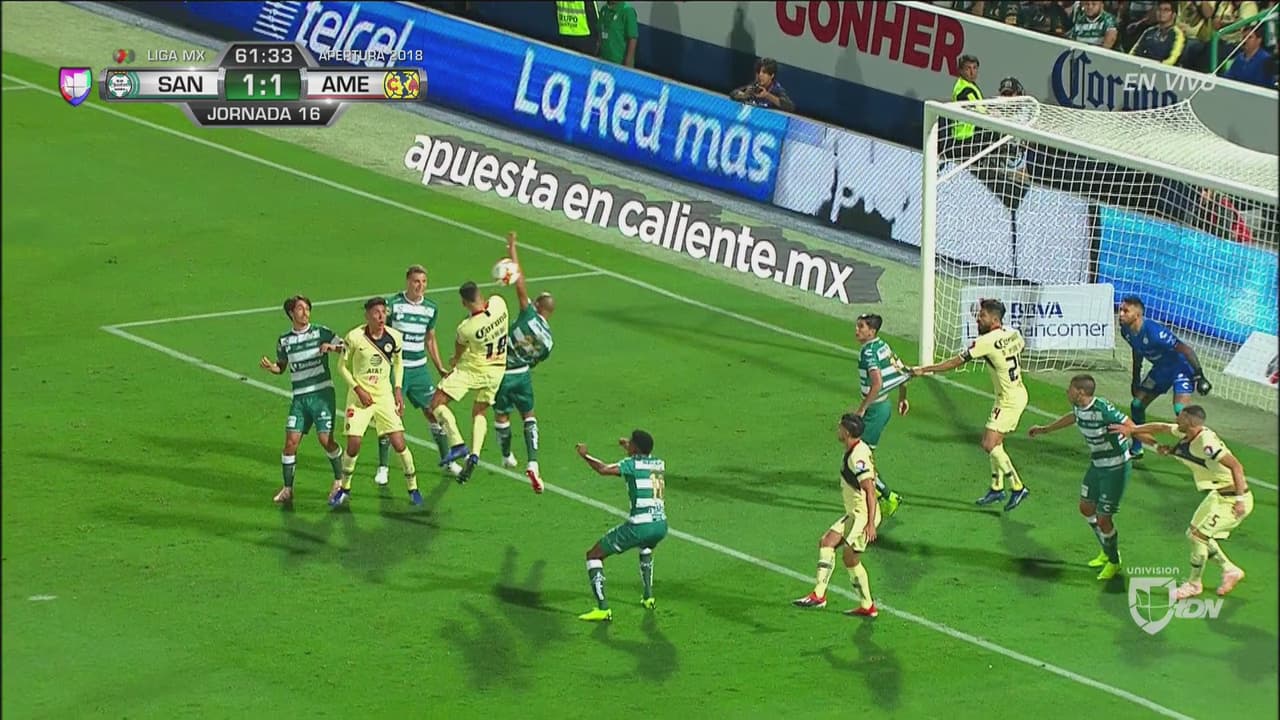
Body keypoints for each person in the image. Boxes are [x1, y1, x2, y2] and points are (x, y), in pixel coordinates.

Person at [1112, 407, 1252, 598]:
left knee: (1199, 537)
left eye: (1181, 416)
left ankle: (1194, 584)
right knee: (1193, 534)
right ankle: (1230, 569)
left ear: (1190, 421)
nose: (1176, 418)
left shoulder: (1207, 443)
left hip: (1233, 500)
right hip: (1217, 496)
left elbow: (1237, 466)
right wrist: (1134, 430)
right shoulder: (1187, 433)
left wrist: (1240, 500)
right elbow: (1161, 427)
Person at [911, 299, 1031, 511]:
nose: (977, 319)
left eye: (982, 315)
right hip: (1014, 393)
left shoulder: (985, 342)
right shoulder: (1014, 333)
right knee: (996, 443)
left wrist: (924, 369)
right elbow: (1018, 346)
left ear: (995, 319)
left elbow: (954, 363)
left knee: (988, 443)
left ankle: (1018, 486)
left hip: (1009, 400)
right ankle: (996, 487)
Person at [1029, 375, 1135, 580]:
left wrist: (1133, 433)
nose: (1066, 391)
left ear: (1080, 392)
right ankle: (1106, 549)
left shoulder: (1103, 409)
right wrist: (1045, 429)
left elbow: (1130, 424)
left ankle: (1114, 561)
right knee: (1086, 508)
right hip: (1097, 465)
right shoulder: (1079, 407)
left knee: (1104, 519)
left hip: (1116, 468)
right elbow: (1073, 417)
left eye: (1070, 388)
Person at [373, 265, 462, 485]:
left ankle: (448, 460)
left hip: (419, 370)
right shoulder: (393, 305)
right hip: (397, 370)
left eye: (423, 282)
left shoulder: (431, 308)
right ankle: (383, 467)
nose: (420, 286)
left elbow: (430, 339)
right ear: (408, 281)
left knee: (433, 411)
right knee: (390, 417)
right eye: (416, 281)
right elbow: (380, 331)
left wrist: (439, 367)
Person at [327, 298, 419, 507]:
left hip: (384, 396)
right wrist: (358, 389)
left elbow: (399, 364)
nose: (381, 316)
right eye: (376, 312)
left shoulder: (395, 337)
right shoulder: (354, 337)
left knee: (399, 442)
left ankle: (413, 488)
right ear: (367, 315)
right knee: (354, 443)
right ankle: (344, 489)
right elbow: (342, 367)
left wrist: (398, 390)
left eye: (384, 312)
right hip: (360, 397)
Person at [259, 295, 346, 504]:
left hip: (322, 394)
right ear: (291, 313)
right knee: (290, 443)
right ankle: (288, 489)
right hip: (300, 399)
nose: (305, 312)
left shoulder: (320, 332)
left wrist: (332, 348)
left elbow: (347, 347)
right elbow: (281, 366)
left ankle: (339, 481)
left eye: (307, 308)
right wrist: (272, 367)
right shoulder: (284, 341)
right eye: (300, 309)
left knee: (325, 440)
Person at [792, 413, 880, 618]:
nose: (837, 430)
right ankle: (819, 595)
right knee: (827, 541)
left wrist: (870, 524)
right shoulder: (857, 449)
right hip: (855, 513)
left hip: (862, 515)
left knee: (850, 558)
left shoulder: (857, 457)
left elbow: (869, 490)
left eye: (840, 427)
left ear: (847, 432)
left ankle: (867, 605)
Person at [574, 430, 668, 621]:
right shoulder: (658, 463)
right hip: (661, 525)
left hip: (640, 526)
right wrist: (629, 447)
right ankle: (648, 597)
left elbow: (603, 469)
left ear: (636, 448)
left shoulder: (631, 464)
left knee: (593, 555)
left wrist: (585, 455)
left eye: (631, 442)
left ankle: (602, 609)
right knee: (646, 547)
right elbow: (642, 458)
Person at [493, 232, 555, 494]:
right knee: (529, 416)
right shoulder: (549, 342)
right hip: (523, 375)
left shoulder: (528, 313)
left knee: (501, 415)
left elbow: (519, 282)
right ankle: (533, 463)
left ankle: (507, 455)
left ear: (537, 304)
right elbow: (536, 360)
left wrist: (512, 248)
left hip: (502, 372)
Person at [432, 279, 511, 484]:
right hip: (497, 370)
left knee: (437, 403)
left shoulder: (466, 328)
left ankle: (457, 444)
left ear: (464, 302)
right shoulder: (499, 303)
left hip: (474, 369)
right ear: (479, 293)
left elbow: (459, 350)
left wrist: (454, 361)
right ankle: (474, 455)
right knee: (480, 412)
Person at [1116, 295, 1211, 459]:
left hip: (1180, 368)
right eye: (1120, 310)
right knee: (1137, 405)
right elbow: (1137, 351)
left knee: (1181, 412)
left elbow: (1185, 349)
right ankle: (1137, 447)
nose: (1121, 314)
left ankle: (1202, 448)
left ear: (1137, 315)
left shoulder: (1155, 332)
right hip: (1161, 369)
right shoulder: (1126, 331)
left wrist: (1199, 376)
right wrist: (1136, 378)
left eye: (1126, 311)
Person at [851, 313, 909, 517]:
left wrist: (862, 409)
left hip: (875, 411)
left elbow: (877, 383)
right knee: (862, 455)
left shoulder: (868, 353)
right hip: (882, 407)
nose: (857, 330)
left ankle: (888, 496)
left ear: (872, 331)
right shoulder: (883, 345)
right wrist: (902, 398)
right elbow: (903, 371)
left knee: (858, 457)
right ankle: (878, 492)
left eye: (861, 327)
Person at [728, 57, 796, 112]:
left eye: (764, 72)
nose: (760, 75)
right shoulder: (755, 85)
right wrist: (744, 95)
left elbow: (790, 107)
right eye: (759, 72)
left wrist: (767, 95)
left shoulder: (777, 89)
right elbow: (733, 94)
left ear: (772, 75)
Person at [598, 0, 638, 67]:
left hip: (618, 63)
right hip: (603, 60)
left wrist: (628, 64)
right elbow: (599, 32)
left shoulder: (628, 11)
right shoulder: (604, 9)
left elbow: (632, 39)